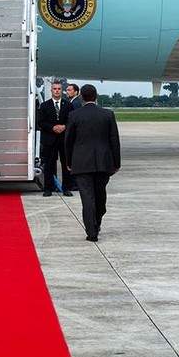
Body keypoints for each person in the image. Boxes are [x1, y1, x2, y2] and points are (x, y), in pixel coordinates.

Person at [64, 84, 120, 241]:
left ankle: (91, 231)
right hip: (103, 163)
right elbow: (114, 140)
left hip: (81, 163)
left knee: (87, 198)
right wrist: (117, 162)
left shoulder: (75, 115)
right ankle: (96, 224)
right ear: (96, 97)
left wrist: (69, 161)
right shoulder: (108, 114)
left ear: (81, 96)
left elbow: (69, 141)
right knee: (100, 196)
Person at [38, 81, 72, 196]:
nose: (57, 91)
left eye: (58, 89)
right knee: (49, 165)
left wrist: (64, 126)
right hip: (49, 139)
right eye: (54, 89)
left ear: (61, 91)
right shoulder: (44, 105)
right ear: (51, 90)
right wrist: (52, 127)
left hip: (64, 139)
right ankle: (48, 188)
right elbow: (41, 122)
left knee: (65, 164)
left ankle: (66, 188)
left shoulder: (68, 105)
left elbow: (72, 120)